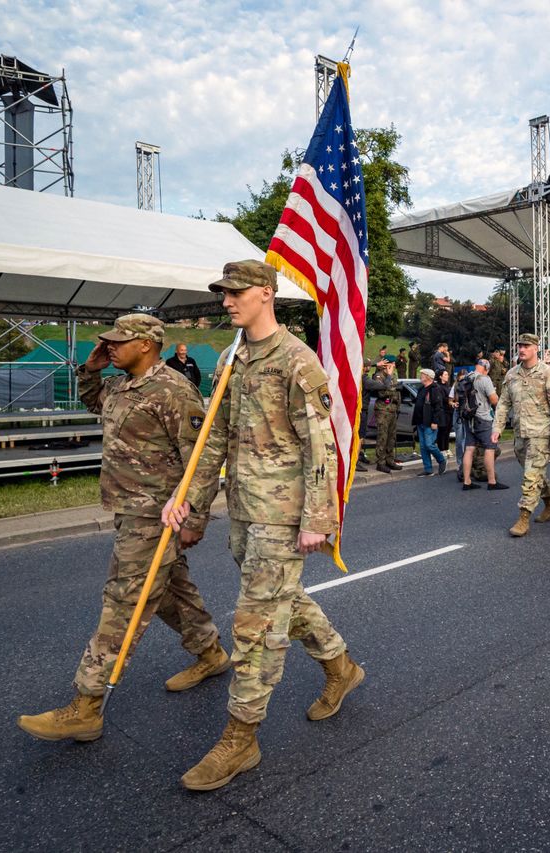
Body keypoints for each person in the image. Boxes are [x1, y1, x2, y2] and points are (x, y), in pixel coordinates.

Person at [164, 260, 363, 792]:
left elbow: (320, 444)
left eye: (237, 292)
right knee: (283, 600)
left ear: (267, 294)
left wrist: (317, 518)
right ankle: (340, 666)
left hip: (283, 514)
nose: (227, 301)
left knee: (255, 622)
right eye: (223, 293)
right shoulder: (232, 358)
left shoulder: (296, 359)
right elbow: (214, 438)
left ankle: (241, 736)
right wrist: (193, 504)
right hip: (244, 509)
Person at [18, 313, 226, 744]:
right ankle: (210, 652)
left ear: (147, 344)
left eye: (118, 341)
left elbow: (201, 459)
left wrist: (195, 517)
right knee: (169, 592)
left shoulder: (174, 390)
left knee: (124, 601)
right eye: (108, 341)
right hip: (129, 509)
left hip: (157, 515)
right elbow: (94, 402)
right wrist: (90, 370)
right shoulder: (120, 386)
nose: (109, 346)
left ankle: (87, 705)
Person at [492, 333, 550, 535]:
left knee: (530, 476)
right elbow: (503, 403)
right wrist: (497, 428)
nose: (521, 349)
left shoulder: (548, 374)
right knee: (535, 472)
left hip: (541, 433)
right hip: (520, 433)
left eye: (526, 346)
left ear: (536, 349)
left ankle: (523, 518)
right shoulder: (512, 374)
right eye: (520, 346)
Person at [459, 359, 508, 490]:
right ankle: (492, 482)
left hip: (468, 418)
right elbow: (494, 400)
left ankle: (467, 482)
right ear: (486, 369)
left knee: (469, 449)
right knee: (490, 448)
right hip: (483, 417)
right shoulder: (484, 379)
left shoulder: (466, 377)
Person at [363, 357, 401, 473]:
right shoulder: (379, 376)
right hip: (383, 409)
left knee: (391, 437)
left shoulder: (393, 375)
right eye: (392, 364)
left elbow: (397, 392)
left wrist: (397, 401)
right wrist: (392, 388)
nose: (394, 366)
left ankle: (390, 460)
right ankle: (381, 462)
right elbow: (382, 392)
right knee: (382, 437)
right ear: (386, 365)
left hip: (393, 408)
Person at [412, 368, 447, 476]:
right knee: (423, 447)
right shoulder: (421, 388)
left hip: (430, 422)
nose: (420, 376)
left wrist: (435, 421)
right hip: (420, 421)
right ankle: (428, 469)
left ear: (427, 377)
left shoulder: (435, 389)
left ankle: (442, 460)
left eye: (422, 375)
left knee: (429, 445)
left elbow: (438, 407)